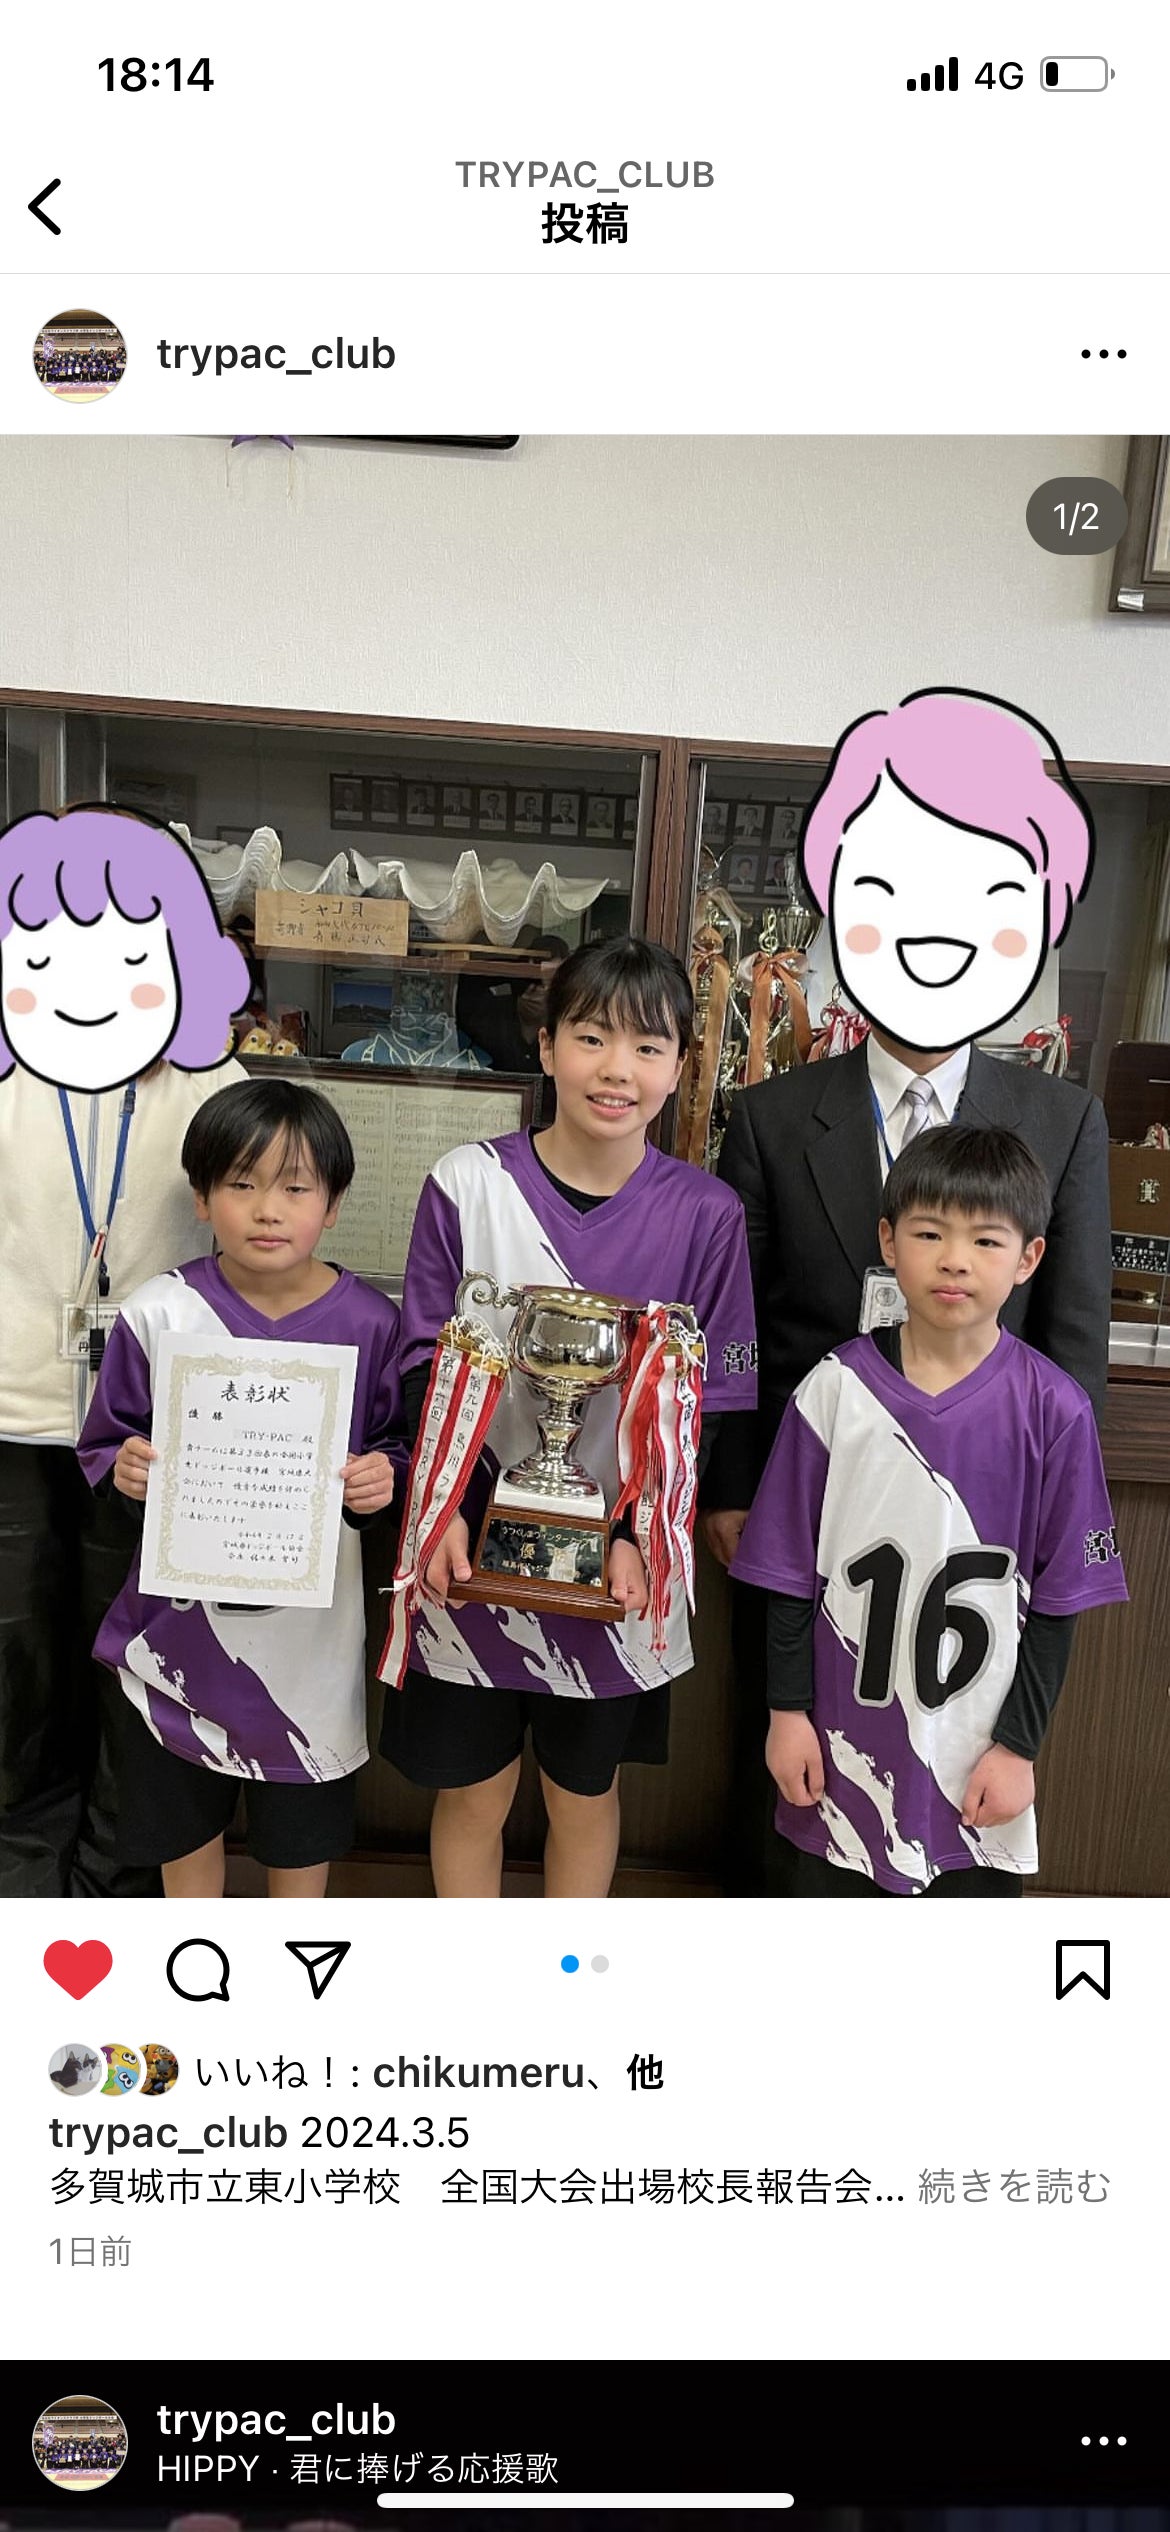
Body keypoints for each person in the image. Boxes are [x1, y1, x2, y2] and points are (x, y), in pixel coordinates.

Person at [704, 688, 1113, 1892]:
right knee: (795, 1767)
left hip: (982, 1512)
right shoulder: (774, 1115)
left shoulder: (1062, 1117)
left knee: (961, 1763)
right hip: (813, 1487)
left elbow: (1075, 1330)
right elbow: (740, 1321)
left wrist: (1050, 1493)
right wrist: (733, 1484)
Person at [380, 935, 757, 1898]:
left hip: (619, 1560)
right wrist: (444, 1512)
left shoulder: (707, 1215)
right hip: (471, 1543)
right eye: (592, 1038)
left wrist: (638, 1534)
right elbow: (425, 1363)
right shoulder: (467, 1184)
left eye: (648, 1047)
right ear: (546, 1047)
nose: (617, 1070)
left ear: (680, 1066)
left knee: (583, 1791)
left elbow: (705, 1403)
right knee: (472, 1791)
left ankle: (562, 1975)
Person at [731, 1124, 1127, 1895]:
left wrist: (1018, 1748)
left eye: (986, 1240)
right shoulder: (833, 1391)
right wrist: (786, 1713)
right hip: (841, 1753)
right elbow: (785, 1576)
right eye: (929, 1233)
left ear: (1029, 1258)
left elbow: (1059, 1602)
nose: (954, 1259)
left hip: (975, 1764)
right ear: (888, 1240)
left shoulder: (1055, 1410)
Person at [0, 801, 252, 1897]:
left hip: (154, 1431)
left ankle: (116, 1879)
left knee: (133, 1656)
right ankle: (20, 1883)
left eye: (127, 951)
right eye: (50, 953)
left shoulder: (217, 1088)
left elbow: (261, 1245)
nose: (89, 981)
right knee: (15, 1661)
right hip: (7, 1416)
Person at [77, 1080, 405, 1899]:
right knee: (184, 1834)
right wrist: (125, 1468)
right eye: (241, 1183)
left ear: (333, 1205)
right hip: (176, 1639)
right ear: (201, 1197)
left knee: (299, 1842)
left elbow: (396, 1448)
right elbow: (106, 1445)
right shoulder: (161, 1313)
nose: (267, 1210)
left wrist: (383, 1479)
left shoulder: (373, 1322)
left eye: (295, 1188)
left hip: (310, 1645)